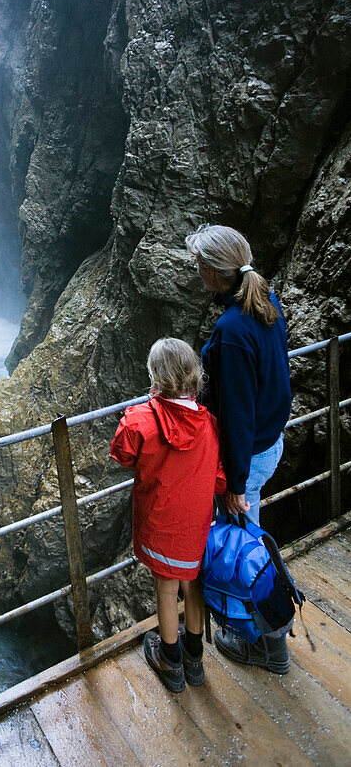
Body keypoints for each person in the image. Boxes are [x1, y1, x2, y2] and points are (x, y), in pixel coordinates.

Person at [186, 222, 293, 672]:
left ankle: (270, 645)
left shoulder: (231, 328)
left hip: (247, 456)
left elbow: (237, 413)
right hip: (270, 443)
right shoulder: (267, 304)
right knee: (249, 541)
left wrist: (234, 482)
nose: (195, 269)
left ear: (213, 271)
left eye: (199, 263)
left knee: (247, 550)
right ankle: (257, 629)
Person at [110, 338, 226, 693]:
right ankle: (194, 657)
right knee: (193, 582)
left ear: (155, 376)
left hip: (160, 522)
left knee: (166, 588)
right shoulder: (208, 423)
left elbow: (122, 454)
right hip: (195, 523)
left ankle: (171, 661)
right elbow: (218, 476)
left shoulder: (140, 419)